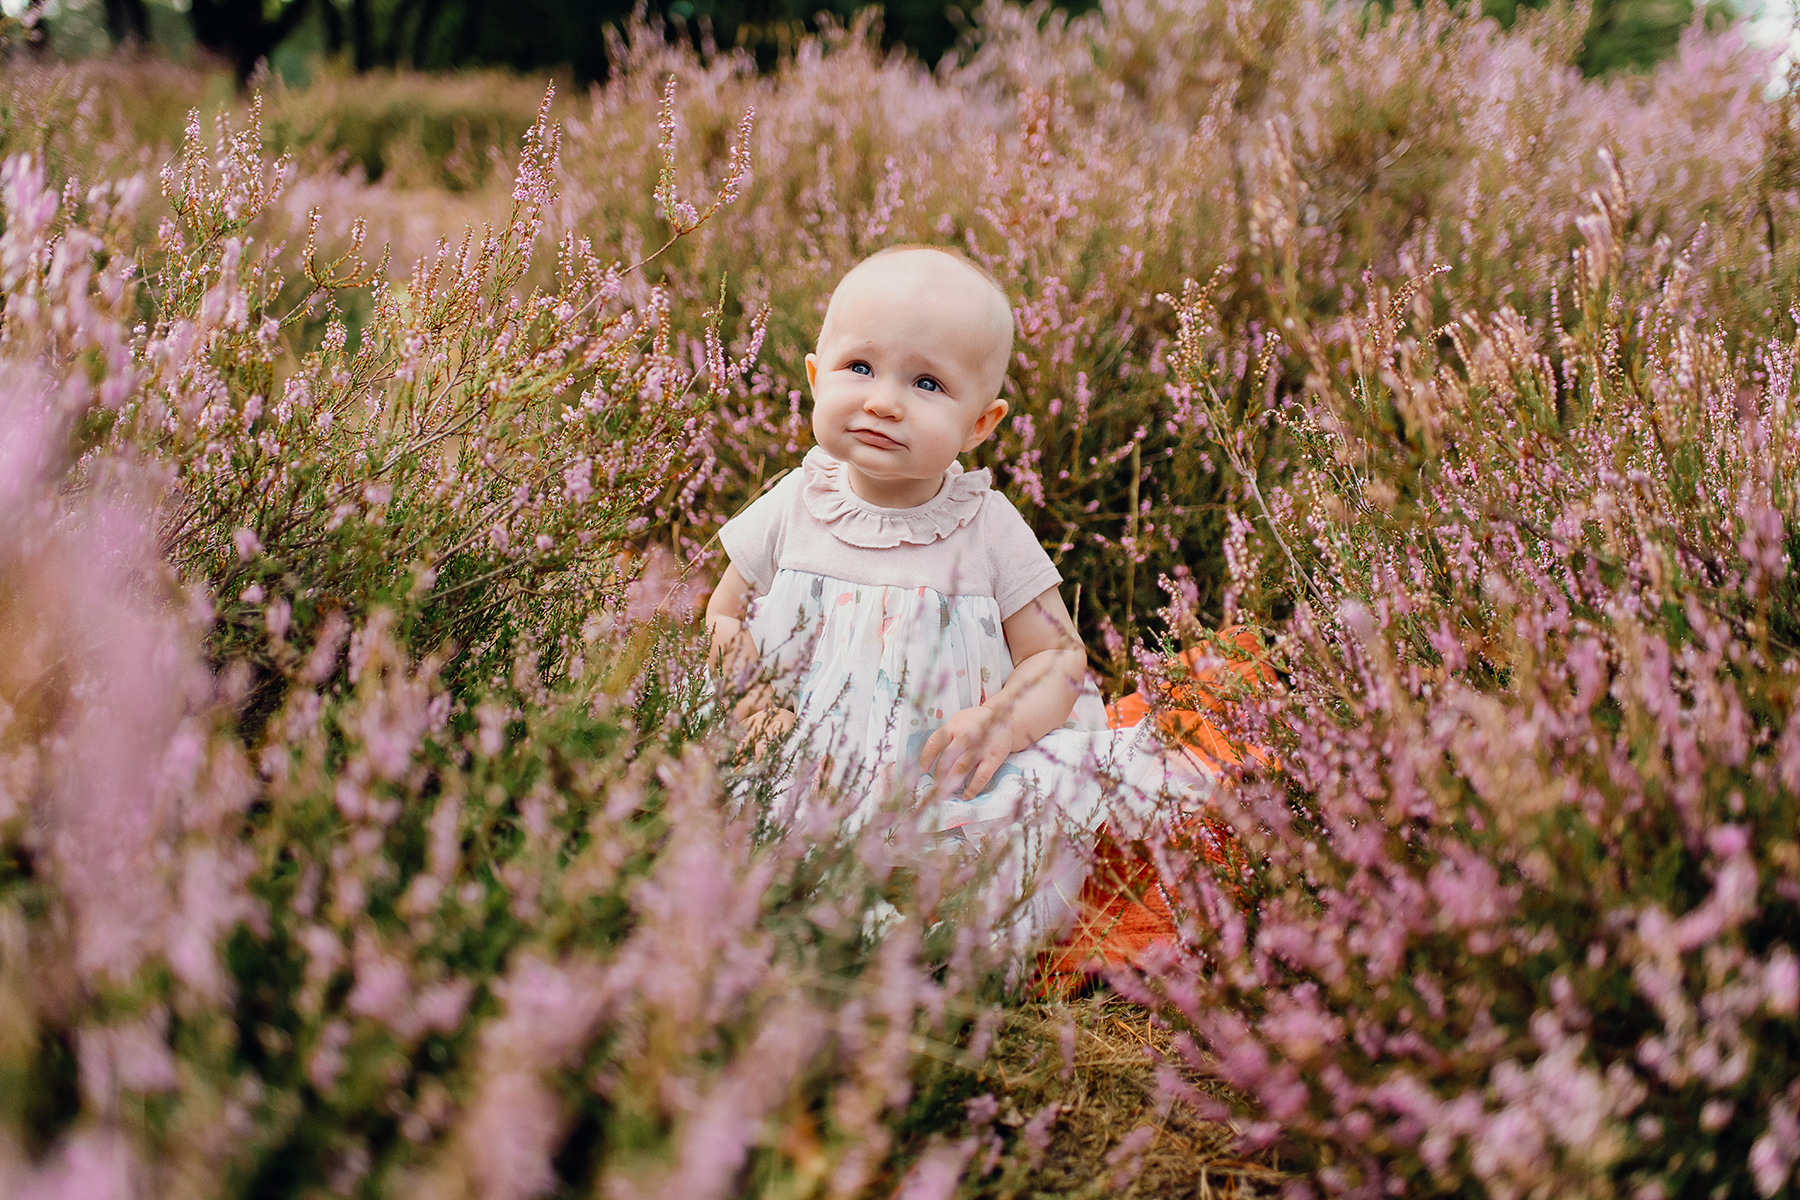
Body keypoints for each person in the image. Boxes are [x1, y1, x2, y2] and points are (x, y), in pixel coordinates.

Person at [705, 245, 1211, 942]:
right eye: (860, 368)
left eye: (927, 384)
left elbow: (1059, 662)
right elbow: (724, 614)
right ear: (816, 379)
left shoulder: (986, 528)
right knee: (740, 837)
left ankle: (935, 932)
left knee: (1014, 848)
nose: (883, 400)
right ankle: (825, 918)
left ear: (981, 424)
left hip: (943, 777)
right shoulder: (797, 503)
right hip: (806, 765)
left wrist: (1001, 722)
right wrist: (752, 703)